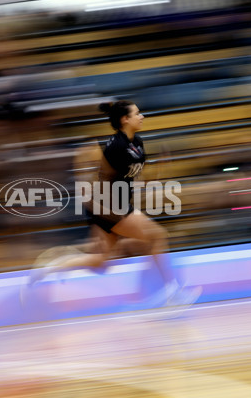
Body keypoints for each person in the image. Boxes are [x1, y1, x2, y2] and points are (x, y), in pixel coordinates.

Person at [22, 100, 201, 306]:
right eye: (137, 113)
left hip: (116, 205)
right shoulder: (116, 147)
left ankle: (50, 268)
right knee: (157, 236)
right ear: (125, 119)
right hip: (110, 206)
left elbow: (136, 179)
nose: (142, 117)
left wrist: (160, 170)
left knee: (100, 262)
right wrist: (105, 212)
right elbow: (102, 182)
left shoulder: (137, 143)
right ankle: (172, 291)